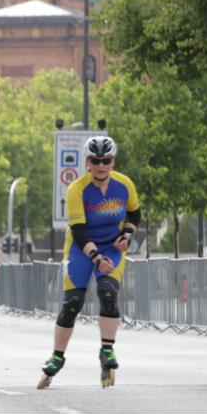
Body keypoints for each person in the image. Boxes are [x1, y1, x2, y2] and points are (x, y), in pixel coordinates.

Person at [38, 135, 139, 389]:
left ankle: (107, 350)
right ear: (87, 162)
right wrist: (95, 257)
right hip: (81, 249)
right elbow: (80, 230)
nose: (101, 165)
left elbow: (134, 213)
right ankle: (57, 357)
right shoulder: (77, 189)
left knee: (107, 292)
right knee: (73, 302)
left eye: (106, 160)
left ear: (113, 161)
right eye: (96, 160)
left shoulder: (125, 184)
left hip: (112, 247)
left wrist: (127, 234)